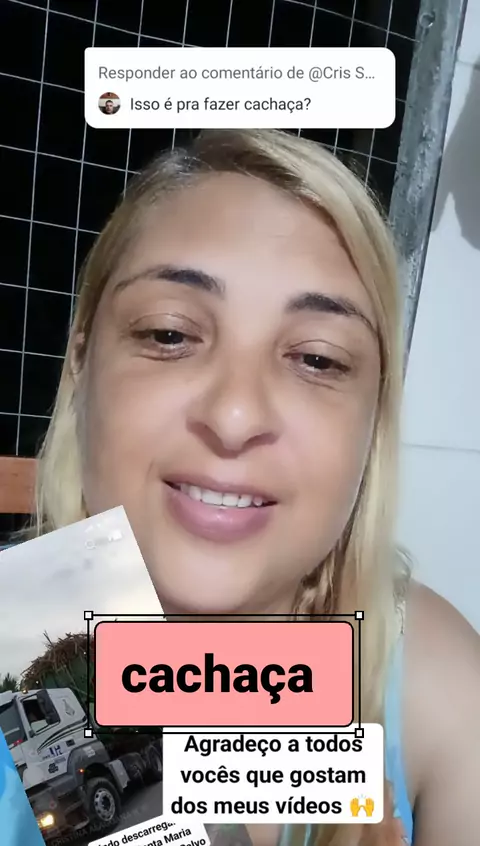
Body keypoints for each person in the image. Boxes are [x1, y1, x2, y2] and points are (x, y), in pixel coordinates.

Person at [32, 129, 479, 845]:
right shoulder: (24, 659)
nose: (235, 415)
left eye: (317, 359)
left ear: (374, 416)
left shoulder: (438, 682)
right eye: (170, 334)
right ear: (82, 362)